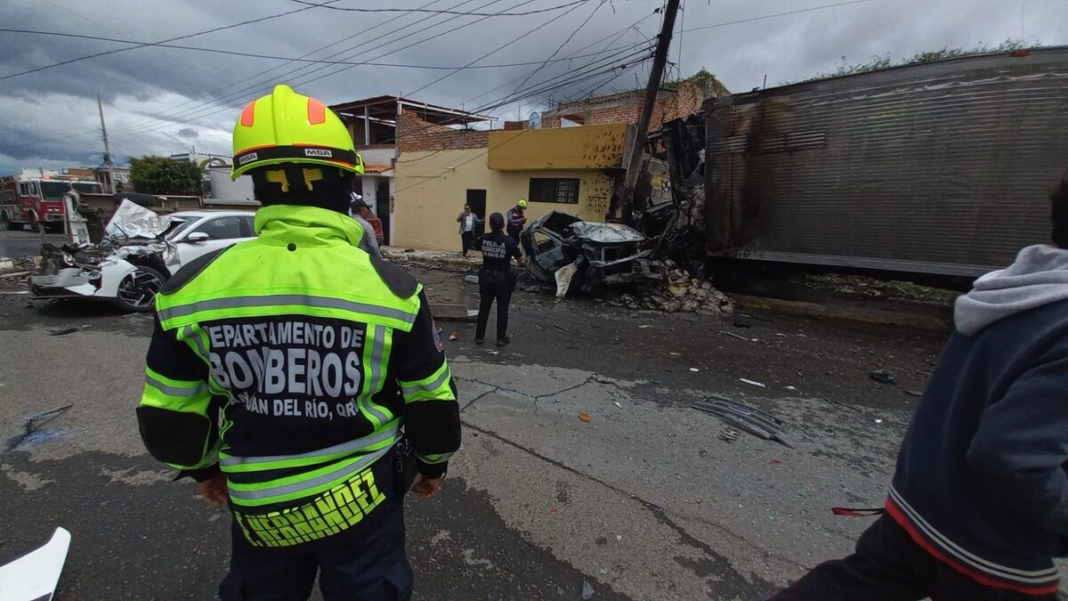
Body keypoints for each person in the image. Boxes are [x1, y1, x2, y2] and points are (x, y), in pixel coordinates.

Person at [136, 84, 461, 601]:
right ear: (345, 179)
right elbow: (431, 398)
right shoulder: (394, 290)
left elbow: (170, 413)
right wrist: (433, 463)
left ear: (255, 182)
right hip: (362, 501)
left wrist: (203, 469)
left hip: (259, 505)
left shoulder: (188, 289)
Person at [770, 171, 1068, 600]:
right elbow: (1012, 454)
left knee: (854, 584)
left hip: (921, 500)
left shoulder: (1010, 290)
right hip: (992, 542)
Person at [474, 212, 522, 346]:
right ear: (503, 224)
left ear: (490, 224)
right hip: (503, 279)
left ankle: (479, 337)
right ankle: (501, 339)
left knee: (484, 307)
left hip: (486, 277)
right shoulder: (510, 241)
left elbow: (476, 246)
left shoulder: (483, 238)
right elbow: (520, 260)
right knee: (502, 309)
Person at [348, 193, 382, 258]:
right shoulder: (366, 225)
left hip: (350, 257)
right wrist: (379, 258)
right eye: (367, 210)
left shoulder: (347, 222)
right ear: (362, 210)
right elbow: (373, 246)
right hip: (364, 258)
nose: (368, 213)